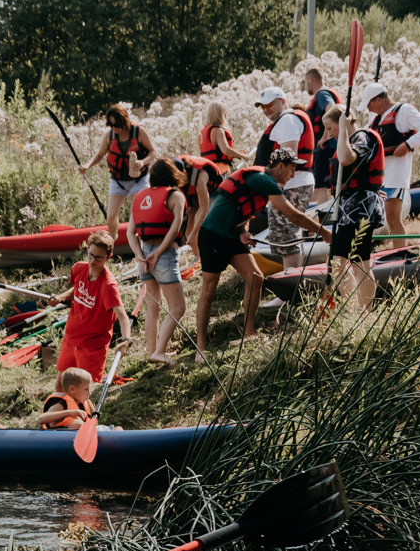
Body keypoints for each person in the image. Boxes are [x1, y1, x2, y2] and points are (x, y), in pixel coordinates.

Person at [193, 149, 330, 358]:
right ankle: (200, 347)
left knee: (256, 277)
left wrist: (242, 231)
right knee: (209, 291)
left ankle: (249, 332)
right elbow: (293, 215)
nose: (292, 175)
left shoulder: (263, 183)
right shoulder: (264, 180)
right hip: (213, 235)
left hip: (231, 236)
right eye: (292, 169)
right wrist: (326, 233)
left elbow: (239, 208)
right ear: (281, 165)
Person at [46, 233, 134, 380]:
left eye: (98, 258)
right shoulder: (79, 268)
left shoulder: (108, 286)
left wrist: (126, 340)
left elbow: (123, 317)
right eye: (90, 255)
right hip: (71, 337)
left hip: (91, 346)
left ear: (108, 257)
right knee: (60, 385)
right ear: (87, 250)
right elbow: (77, 289)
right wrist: (60, 298)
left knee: (83, 392)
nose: (93, 260)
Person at [361, 80, 420, 241]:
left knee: (393, 218)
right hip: (380, 177)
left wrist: (407, 145)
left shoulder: (404, 111)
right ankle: (397, 252)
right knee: (385, 218)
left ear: (379, 100)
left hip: (396, 175)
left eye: (369, 105)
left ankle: (400, 254)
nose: (368, 109)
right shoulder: (375, 118)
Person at [130, 159, 188, 367]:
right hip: (163, 256)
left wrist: (140, 256)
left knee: (153, 308)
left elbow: (131, 232)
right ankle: (160, 351)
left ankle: (152, 351)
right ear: (172, 175)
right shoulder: (176, 196)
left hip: (144, 255)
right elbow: (175, 228)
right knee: (178, 307)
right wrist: (159, 253)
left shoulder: (139, 196)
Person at [330, 111, 389, 310]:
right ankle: (353, 309)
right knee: (337, 265)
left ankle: (365, 311)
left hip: (361, 210)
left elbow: (347, 158)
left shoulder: (362, 137)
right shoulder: (347, 139)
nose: (329, 133)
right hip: (348, 211)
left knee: (360, 263)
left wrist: (343, 128)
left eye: (330, 128)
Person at [253, 88, 318, 261]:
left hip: (292, 185)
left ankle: (293, 278)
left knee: (287, 238)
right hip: (291, 184)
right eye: (263, 107)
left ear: (282, 101)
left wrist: (276, 189)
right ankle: (292, 275)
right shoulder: (286, 120)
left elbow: (288, 159)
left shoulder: (287, 120)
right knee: (285, 238)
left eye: (270, 105)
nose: (266, 110)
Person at [84, 104, 156, 235]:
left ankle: (135, 247)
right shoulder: (109, 136)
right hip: (118, 181)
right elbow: (100, 155)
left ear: (125, 121)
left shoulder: (138, 132)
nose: (114, 128)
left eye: (116, 125)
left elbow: (153, 152)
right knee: (111, 217)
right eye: (111, 125)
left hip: (139, 180)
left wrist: (142, 162)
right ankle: (113, 239)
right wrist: (87, 165)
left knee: (134, 216)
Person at [303, 67, 339, 169]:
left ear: (311, 79)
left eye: (305, 82)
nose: (305, 87)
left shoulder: (322, 94)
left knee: (320, 185)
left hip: (326, 149)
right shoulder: (326, 93)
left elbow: (332, 109)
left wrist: (326, 136)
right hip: (332, 148)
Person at [197, 101, 239, 171]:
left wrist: (237, 153)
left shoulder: (205, 130)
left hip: (208, 170)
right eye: (224, 112)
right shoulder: (218, 131)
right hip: (219, 171)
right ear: (220, 114)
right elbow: (226, 150)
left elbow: (218, 151)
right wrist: (244, 156)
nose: (226, 115)